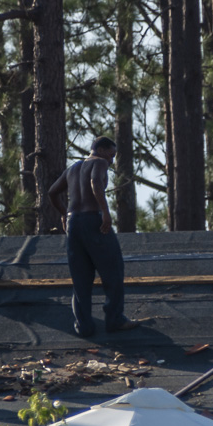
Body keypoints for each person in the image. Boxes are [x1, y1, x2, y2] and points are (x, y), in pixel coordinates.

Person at [48, 136, 141, 337]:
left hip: (74, 224)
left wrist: (64, 214)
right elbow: (95, 182)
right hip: (92, 220)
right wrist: (105, 212)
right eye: (111, 155)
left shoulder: (73, 168)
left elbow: (52, 192)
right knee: (113, 268)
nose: (111, 162)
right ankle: (114, 319)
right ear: (100, 150)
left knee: (81, 277)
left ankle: (84, 326)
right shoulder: (98, 162)